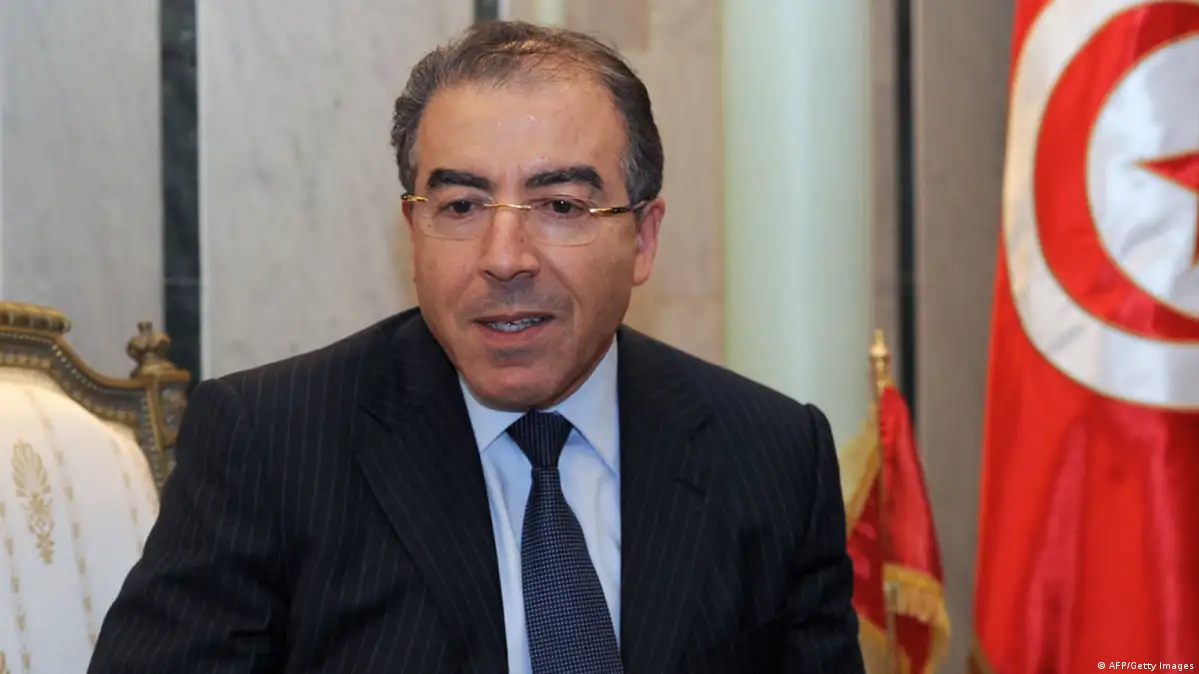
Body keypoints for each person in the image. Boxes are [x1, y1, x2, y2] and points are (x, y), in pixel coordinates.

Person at [88, 20, 864, 674]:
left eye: (560, 205)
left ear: (642, 239)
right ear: (414, 231)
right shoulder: (270, 444)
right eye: (460, 206)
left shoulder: (770, 455)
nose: (504, 257)